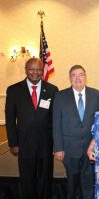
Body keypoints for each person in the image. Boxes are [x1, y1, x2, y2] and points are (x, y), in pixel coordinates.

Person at [5, 57, 58, 199]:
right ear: (26, 70)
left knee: (45, 179)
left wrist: (56, 143)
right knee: (27, 179)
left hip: (46, 144)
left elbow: (55, 119)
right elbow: (10, 119)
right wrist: (13, 143)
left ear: (43, 71)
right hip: (24, 144)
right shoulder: (13, 90)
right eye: (31, 69)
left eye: (38, 69)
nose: (35, 72)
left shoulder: (52, 90)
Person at [53, 65, 99, 199]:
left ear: (86, 77)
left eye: (81, 74)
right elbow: (56, 124)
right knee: (72, 183)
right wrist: (58, 148)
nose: (77, 78)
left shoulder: (97, 95)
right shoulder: (60, 96)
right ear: (70, 78)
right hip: (69, 148)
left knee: (89, 182)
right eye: (74, 75)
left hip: (91, 148)